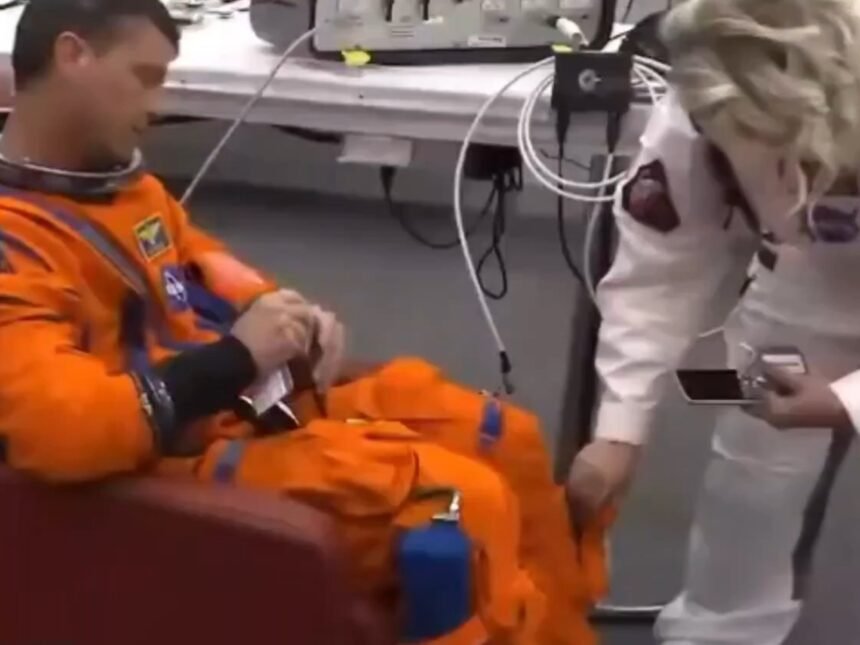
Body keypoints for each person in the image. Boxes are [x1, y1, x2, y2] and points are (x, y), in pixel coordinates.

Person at [0, 1, 607, 643]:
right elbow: (62, 435)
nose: (155, 106)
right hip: (158, 466)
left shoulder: (125, 193)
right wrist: (238, 358)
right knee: (461, 505)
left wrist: (289, 316)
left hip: (246, 410)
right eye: (144, 78)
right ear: (73, 56)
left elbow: (210, 270)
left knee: (505, 437)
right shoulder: (17, 245)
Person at [566, 0, 860, 643]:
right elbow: (661, 264)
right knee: (753, 497)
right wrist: (621, 428)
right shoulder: (711, 78)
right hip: (806, 285)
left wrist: (847, 401)